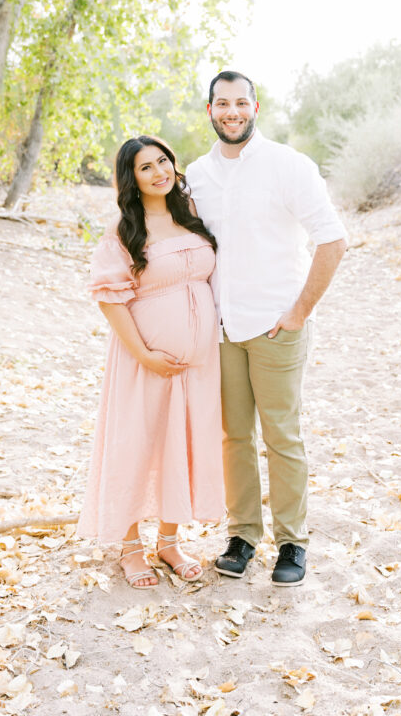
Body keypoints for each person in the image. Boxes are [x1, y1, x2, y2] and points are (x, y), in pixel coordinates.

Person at [185, 71, 347, 587]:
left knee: (281, 435)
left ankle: (292, 543)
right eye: (222, 103)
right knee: (234, 436)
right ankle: (243, 535)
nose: (232, 112)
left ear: (255, 107)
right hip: (224, 328)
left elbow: (332, 240)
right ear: (209, 110)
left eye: (240, 102)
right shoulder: (197, 174)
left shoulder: (288, 166)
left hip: (278, 324)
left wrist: (298, 311)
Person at [77, 135, 224, 588]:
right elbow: (110, 300)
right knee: (136, 446)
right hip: (144, 361)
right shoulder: (125, 231)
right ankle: (130, 548)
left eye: (163, 161)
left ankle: (169, 541)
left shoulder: (192, 215)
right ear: (131, 178)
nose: (160, 171)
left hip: (197, 367)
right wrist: (145, 354)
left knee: (180, 444)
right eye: (146, 167)